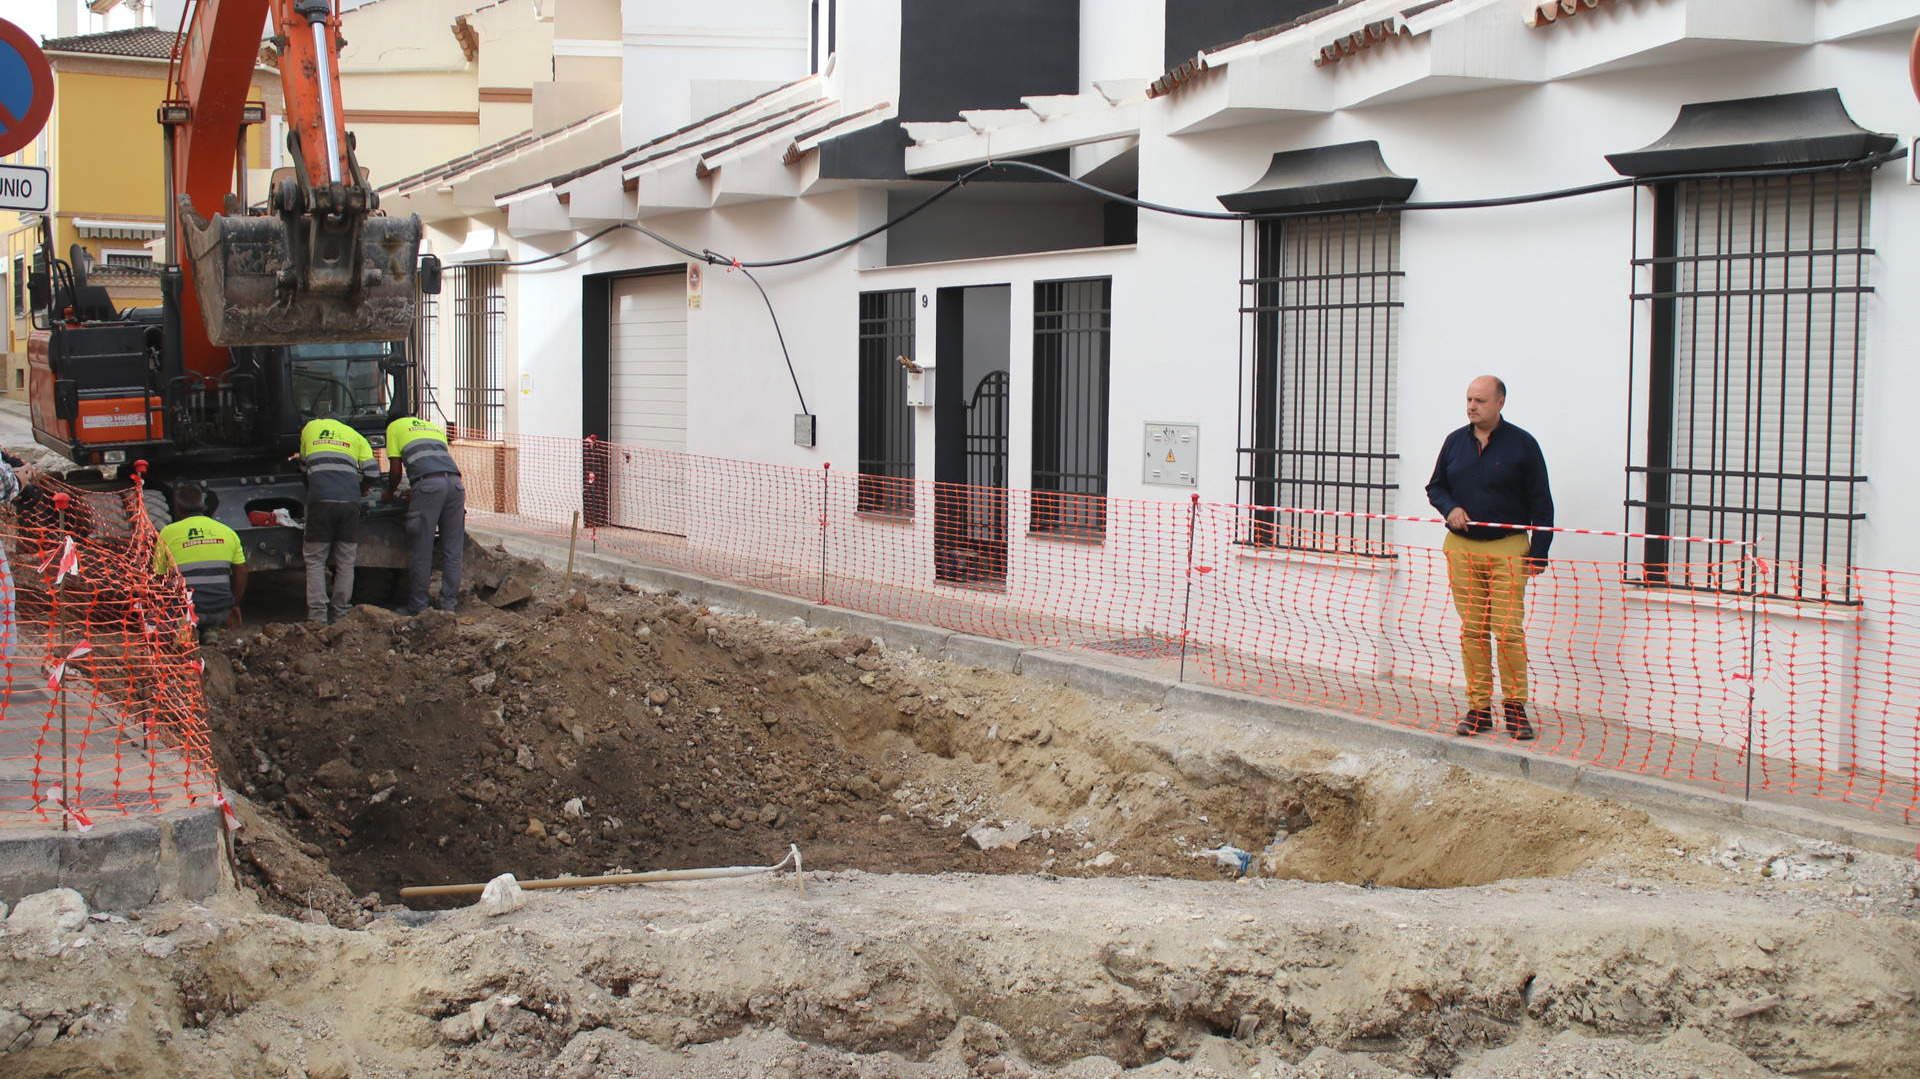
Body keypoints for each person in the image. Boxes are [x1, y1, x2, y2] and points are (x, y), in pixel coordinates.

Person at [1425, 375, 1554, 741]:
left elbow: (1542, 503)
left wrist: (1539, 553)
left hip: (1508, 549)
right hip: (1462, 548)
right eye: (1468, 399)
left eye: (1480, 400)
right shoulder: (1454, 442)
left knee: (1509, 631)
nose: (1472, 406)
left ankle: (1515, 710)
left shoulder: (1523, 445)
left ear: (1500, 403)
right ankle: (1479, 710)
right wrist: (1450, 508)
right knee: (1473, 631)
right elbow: (1435, 486)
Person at [297, 414, 380, 623]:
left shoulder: (309, 429)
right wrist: (360, 491)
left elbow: (303, 467)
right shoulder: (355, 435)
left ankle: (317, 618)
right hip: (350, 504)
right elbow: (372, 473)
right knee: (346, 562)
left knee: (315, 560)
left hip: (320, 502)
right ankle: (341, 615)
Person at [383, 415, 465, 615]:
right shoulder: (432, 427)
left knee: (422, 548)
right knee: (453, 549)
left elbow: (395, 472)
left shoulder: (393, 427)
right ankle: (448, 606)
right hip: (455, 484)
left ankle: (419, 607)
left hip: (428, 485)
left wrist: (388, 493)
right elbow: (435, 462)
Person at [152, 485, 248, 643]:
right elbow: (242, 571)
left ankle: (188, 633)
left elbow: (158, 576)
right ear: (203, 506)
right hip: (221, 611)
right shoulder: (227, 531)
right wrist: (234, 604)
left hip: (188, 611)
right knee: (209, 612)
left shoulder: (168, 533)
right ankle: (211, 630)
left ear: (177, 507)